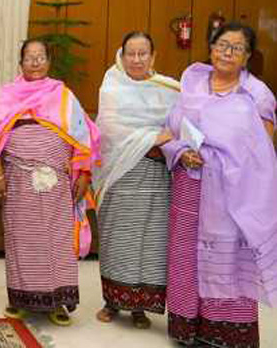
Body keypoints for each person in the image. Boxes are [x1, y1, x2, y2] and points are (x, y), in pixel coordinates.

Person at [161, 22, 276, 348]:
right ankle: (187, 327)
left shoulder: (256, 95)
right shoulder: (192, 83)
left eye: (236, 48)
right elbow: (169, 131)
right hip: (190, 185)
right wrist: (182, 152)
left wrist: (224, 160)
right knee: (186, 255)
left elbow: (262, 149)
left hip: (233, 193)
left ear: (247, 56)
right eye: (222, 45)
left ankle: (226, 332)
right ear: (211, 48)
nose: (227, 52)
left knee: (227, 258)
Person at [0, 39, 100, 326]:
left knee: (56, 239)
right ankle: (21, 298)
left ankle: (57, 300)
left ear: (49, 62)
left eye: (41, 57)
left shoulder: (63, 96)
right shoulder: (8, 95)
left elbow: (84, 136)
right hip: (18, 181)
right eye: (30, 57)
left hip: (57, 183)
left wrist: (84, 174)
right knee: (21, 238)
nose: (35, 62)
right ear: (20, 63)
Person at [93, 32, 179, 328]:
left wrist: (160, 140)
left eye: (143, 53)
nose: (137, 59)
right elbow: (111, 130)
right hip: (121, 173)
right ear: (122, 55)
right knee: (119, 240)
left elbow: (178, 126)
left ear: (153, 56)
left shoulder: (169, 89)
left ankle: (140, 307)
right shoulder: (112, 87)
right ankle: (112, 302)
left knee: (150, 242)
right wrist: (153, 138)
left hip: (156, 175)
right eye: (131, 53)